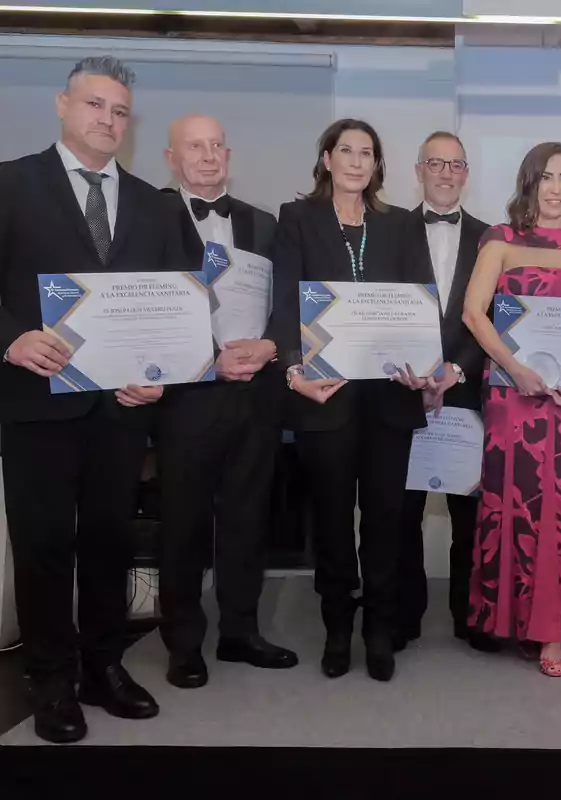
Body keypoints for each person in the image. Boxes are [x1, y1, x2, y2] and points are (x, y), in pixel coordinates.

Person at [0, 57, 186, 743]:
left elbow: (174, 301)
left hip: (121, 410)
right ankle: (51, 679)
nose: (108, 119)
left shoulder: (155, 204)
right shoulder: (10, 183)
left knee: (110, 540)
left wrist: (164, 371)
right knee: (44, 545)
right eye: (94, 105)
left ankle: (104, 666)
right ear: (62, 104)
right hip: (36, 403)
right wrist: (11, 337)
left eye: (119, 111)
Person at [267, 119, 426, 683]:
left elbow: (420, 302)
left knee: (384, 522)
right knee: (332, 523)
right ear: (327, 159)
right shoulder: (298, 218)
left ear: (377, 165)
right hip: (324, 395)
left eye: (367, 153)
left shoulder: (401, 224)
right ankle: (337, 627)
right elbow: (286, 301)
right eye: (347, 151)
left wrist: (424, 364)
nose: (357, 162)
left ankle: (379, 630)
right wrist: (292, 371)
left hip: (390, 397)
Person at [155, 113, 297, 690]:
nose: (209, 156)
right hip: (186, 399)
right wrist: (207, 359)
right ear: (171, 158)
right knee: (183, 526)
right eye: (195, 147)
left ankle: (240, 632)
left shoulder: (265, 223)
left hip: (255, 396)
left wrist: (270, 345)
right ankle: (184, 643)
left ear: (229, 155)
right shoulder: (147, 219)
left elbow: (288, 302)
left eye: (216, 146)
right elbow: (147, 306)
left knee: (247, 520)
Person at [463, 142, 561, 677]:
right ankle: (514, 619)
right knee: (517, 503)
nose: (556, 188)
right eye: (547, 177)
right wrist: (515, 368)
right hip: (513, 395)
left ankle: (553, 630)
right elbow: (473, 313)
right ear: (529, 183)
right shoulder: (500, 239)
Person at [395, 131, 495, 653]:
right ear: (419, 170)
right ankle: (404, 613)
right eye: (436, 163)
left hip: (465, 393)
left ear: (466, 173)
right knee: (402, 512)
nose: (446, 173)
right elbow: (380, 307)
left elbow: (495, 317)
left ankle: (469, 614)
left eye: (455, 164)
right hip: (403, 391)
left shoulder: (489, 239)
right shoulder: (389, 230)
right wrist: (412, 375)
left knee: (469, 516)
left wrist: (456, 370)